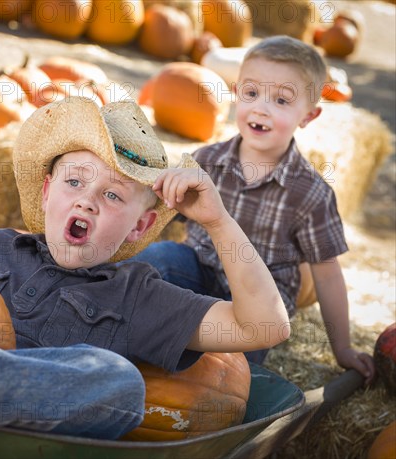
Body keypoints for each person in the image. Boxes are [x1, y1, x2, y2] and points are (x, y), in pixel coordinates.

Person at [0, 97, 290, 445]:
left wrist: (217, 220)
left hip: (11, 434)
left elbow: (264, 325)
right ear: (46, 193)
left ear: (141, 225)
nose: (86, 198)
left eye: (113, 195)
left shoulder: (139, 297)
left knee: (119, 382)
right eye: (75, 180)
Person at [132, 36, 374, 383]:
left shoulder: (311, 194)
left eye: (281, 100)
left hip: (256, 309)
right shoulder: (207, 161)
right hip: (197, 274)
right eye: (251, 93)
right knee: (159, 259)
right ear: (236, 92)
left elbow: (327, 274)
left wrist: (344, 349)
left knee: (218, 372)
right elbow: (159, 213)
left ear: (309, 115)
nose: (261, 108)